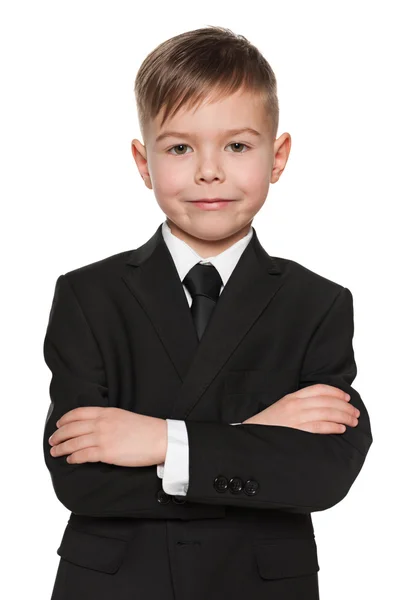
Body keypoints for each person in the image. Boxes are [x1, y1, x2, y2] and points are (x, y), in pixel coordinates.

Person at [43, 25, 373, 600]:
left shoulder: (318, 303)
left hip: (259, 583)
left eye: (238, 146)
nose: (209, 171)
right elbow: (81, 479)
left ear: (279, 156)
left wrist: (157, 440)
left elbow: (323, 472)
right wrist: (258, 434)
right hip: (115, 585)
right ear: (144, 163)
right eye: (179, 148)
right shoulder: (87, 294)